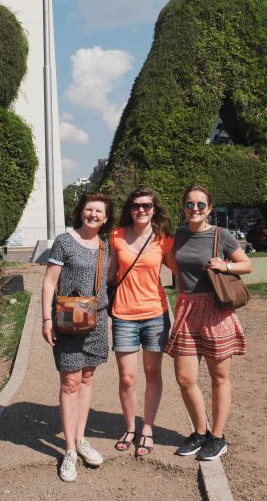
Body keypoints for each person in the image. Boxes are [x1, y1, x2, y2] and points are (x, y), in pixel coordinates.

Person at [165, 185, 251, 461]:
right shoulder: (176, 236)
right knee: (185, 377)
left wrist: (225, 266)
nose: (194, 209)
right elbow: (170, 263)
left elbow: (246, 265)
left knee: (219, 377)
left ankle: (217, 436)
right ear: (184, 207)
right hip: (187, 307)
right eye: (189, 204)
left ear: (209, 209)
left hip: (215, 310)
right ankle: (200, 432)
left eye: (201, 205)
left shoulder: (220, 235)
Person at [42, 191, 114, 483]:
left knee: (87, 379)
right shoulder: (64, 241)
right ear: (80, 212)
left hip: (96, 321)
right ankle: (69, 450)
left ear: (106, 218)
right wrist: (46, 318)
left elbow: (107, 281)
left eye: (99, 211)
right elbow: (49, 281)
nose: (93, 214)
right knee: (70, 383)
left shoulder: (104, 247)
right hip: (68, 319)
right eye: (89, 209)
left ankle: (81, 438)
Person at [108, 187, 173, 458]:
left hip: (155, 314)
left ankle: (147, 427)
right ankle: (130, 426)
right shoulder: (116, 236)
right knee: (127, 377)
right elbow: (110, 275)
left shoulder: (163, 240)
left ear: (154, 208)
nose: (141, 210)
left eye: (146, 206)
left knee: (152, 373)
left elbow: (183, 273)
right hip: (123, 315)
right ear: (129, 209)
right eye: (136, 206)